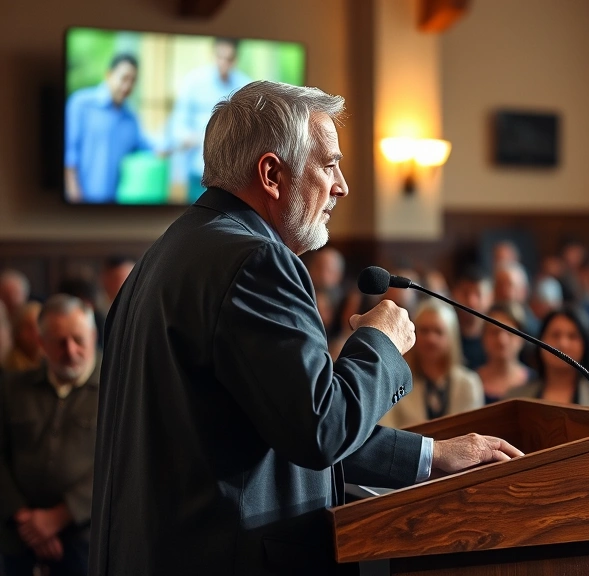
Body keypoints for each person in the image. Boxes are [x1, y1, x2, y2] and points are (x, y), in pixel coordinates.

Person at [89, 81, 521, 576]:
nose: (342, 185)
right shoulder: (257, 260)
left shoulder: (165, 254)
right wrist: (379, 342)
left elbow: (276, 424)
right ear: (272, 173)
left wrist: (430, 455)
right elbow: (320, 428)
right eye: (330, 163)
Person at [0, 295, 100, 576]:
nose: (70, 350)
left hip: (85, 539)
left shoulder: (120, 388)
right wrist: (26, 519)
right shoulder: (12, 388)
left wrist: (59, 516)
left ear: (93, 336)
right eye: (59, 342)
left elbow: (125, 460)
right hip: (18, 539)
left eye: (78, 339)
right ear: (41, 343)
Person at [170, 38, 252, 203]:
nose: (223, 63)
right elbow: (177, 129)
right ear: (213, 54)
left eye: (229, 59)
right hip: (197, 173)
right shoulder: (193, 82)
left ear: (236, 59)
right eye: (220, 57)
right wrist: (202, 139)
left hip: (232, 179)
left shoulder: (246, 86)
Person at [380, 301, 484, 428]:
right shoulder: (395, 382)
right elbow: (385, 431)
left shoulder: (469, 383)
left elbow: (474, 430)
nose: (430, 339)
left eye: (438, 331)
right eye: (424, 331)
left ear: (451, 336)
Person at [507, 308, 589, 411]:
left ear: (585, 345)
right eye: (555, 335)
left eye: (572, 336)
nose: (563, 344)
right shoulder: (516, 397)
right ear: (540, 342)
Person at [64, 54, 149, 204]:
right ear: (109, 75)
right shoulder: (81, 104)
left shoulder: (130, 118)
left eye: (133, 81)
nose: (127, 86)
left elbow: (145, 147)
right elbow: (70, 152)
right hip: (81, 202)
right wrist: (73, 193)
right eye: (124, 78)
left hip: (115, 209)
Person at [476, 303, 533, 403]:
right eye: (494, 332)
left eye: (510, 332)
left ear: (522, 338)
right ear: (483, 337)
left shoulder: (536, 382)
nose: (502, 340)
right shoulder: (470, 382)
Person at [451, 265, 493, 370]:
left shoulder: (496, 335)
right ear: (455, 294)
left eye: (478, 294)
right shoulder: (446, 334)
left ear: (490, 297)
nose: (471, 301)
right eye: (465, 293)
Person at [4, 302, 42, 373]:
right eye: (29, 328)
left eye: (39, 325)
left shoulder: (52, 362)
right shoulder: (10, 369)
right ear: (17, 332)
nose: (36, 332)